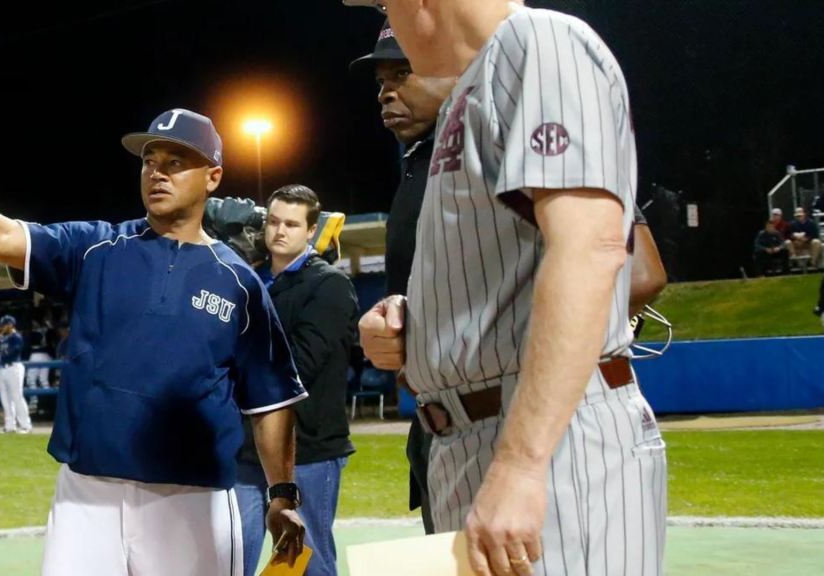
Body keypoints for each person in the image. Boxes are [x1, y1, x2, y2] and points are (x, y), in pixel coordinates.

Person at [0, 107, 307, 575]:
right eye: (150, 161)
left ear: (212, 177)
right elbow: (4, 235)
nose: (157, 173)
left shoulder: (239, 282)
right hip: (87, 494)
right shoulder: (96, 249)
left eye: (175, 162)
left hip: (191, 497)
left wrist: (282, 494)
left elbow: (270, 401)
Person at [351, 2, 666, 575]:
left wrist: (522, 464)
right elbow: (500, 265)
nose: (388, 16)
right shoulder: (467, 95)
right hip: (469, 438)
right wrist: (411, 319)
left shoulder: (540, 40)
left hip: (547, 443)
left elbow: (590, 248)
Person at [350, 18, 456, 536]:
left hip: (501, 422)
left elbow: (637, 273)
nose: (386, 93)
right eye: (380, 81)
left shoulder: (497, 143)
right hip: (439, 420)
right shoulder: (421, 161)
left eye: (403, 73)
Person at [235, 185, 360, 576]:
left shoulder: (330, 285)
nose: (280, 231)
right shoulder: (249, 279)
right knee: (233, 548)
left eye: (291, 224)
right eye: (273, 221)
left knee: (303, 559)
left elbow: (300, 364)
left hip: (308, 450)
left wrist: (233, 370)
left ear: (311, 231)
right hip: (247, 449)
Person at [0, 315, 31, 433]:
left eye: (4, 325)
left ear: (10, 324)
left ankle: (25, 425)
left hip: (14, 367)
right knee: (5, 398)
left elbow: (13, 352)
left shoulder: (16, 337)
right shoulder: (3, 338)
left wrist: (1, 341)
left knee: (17, 397)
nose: (2, 327)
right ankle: (10, 425)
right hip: (3, 369)